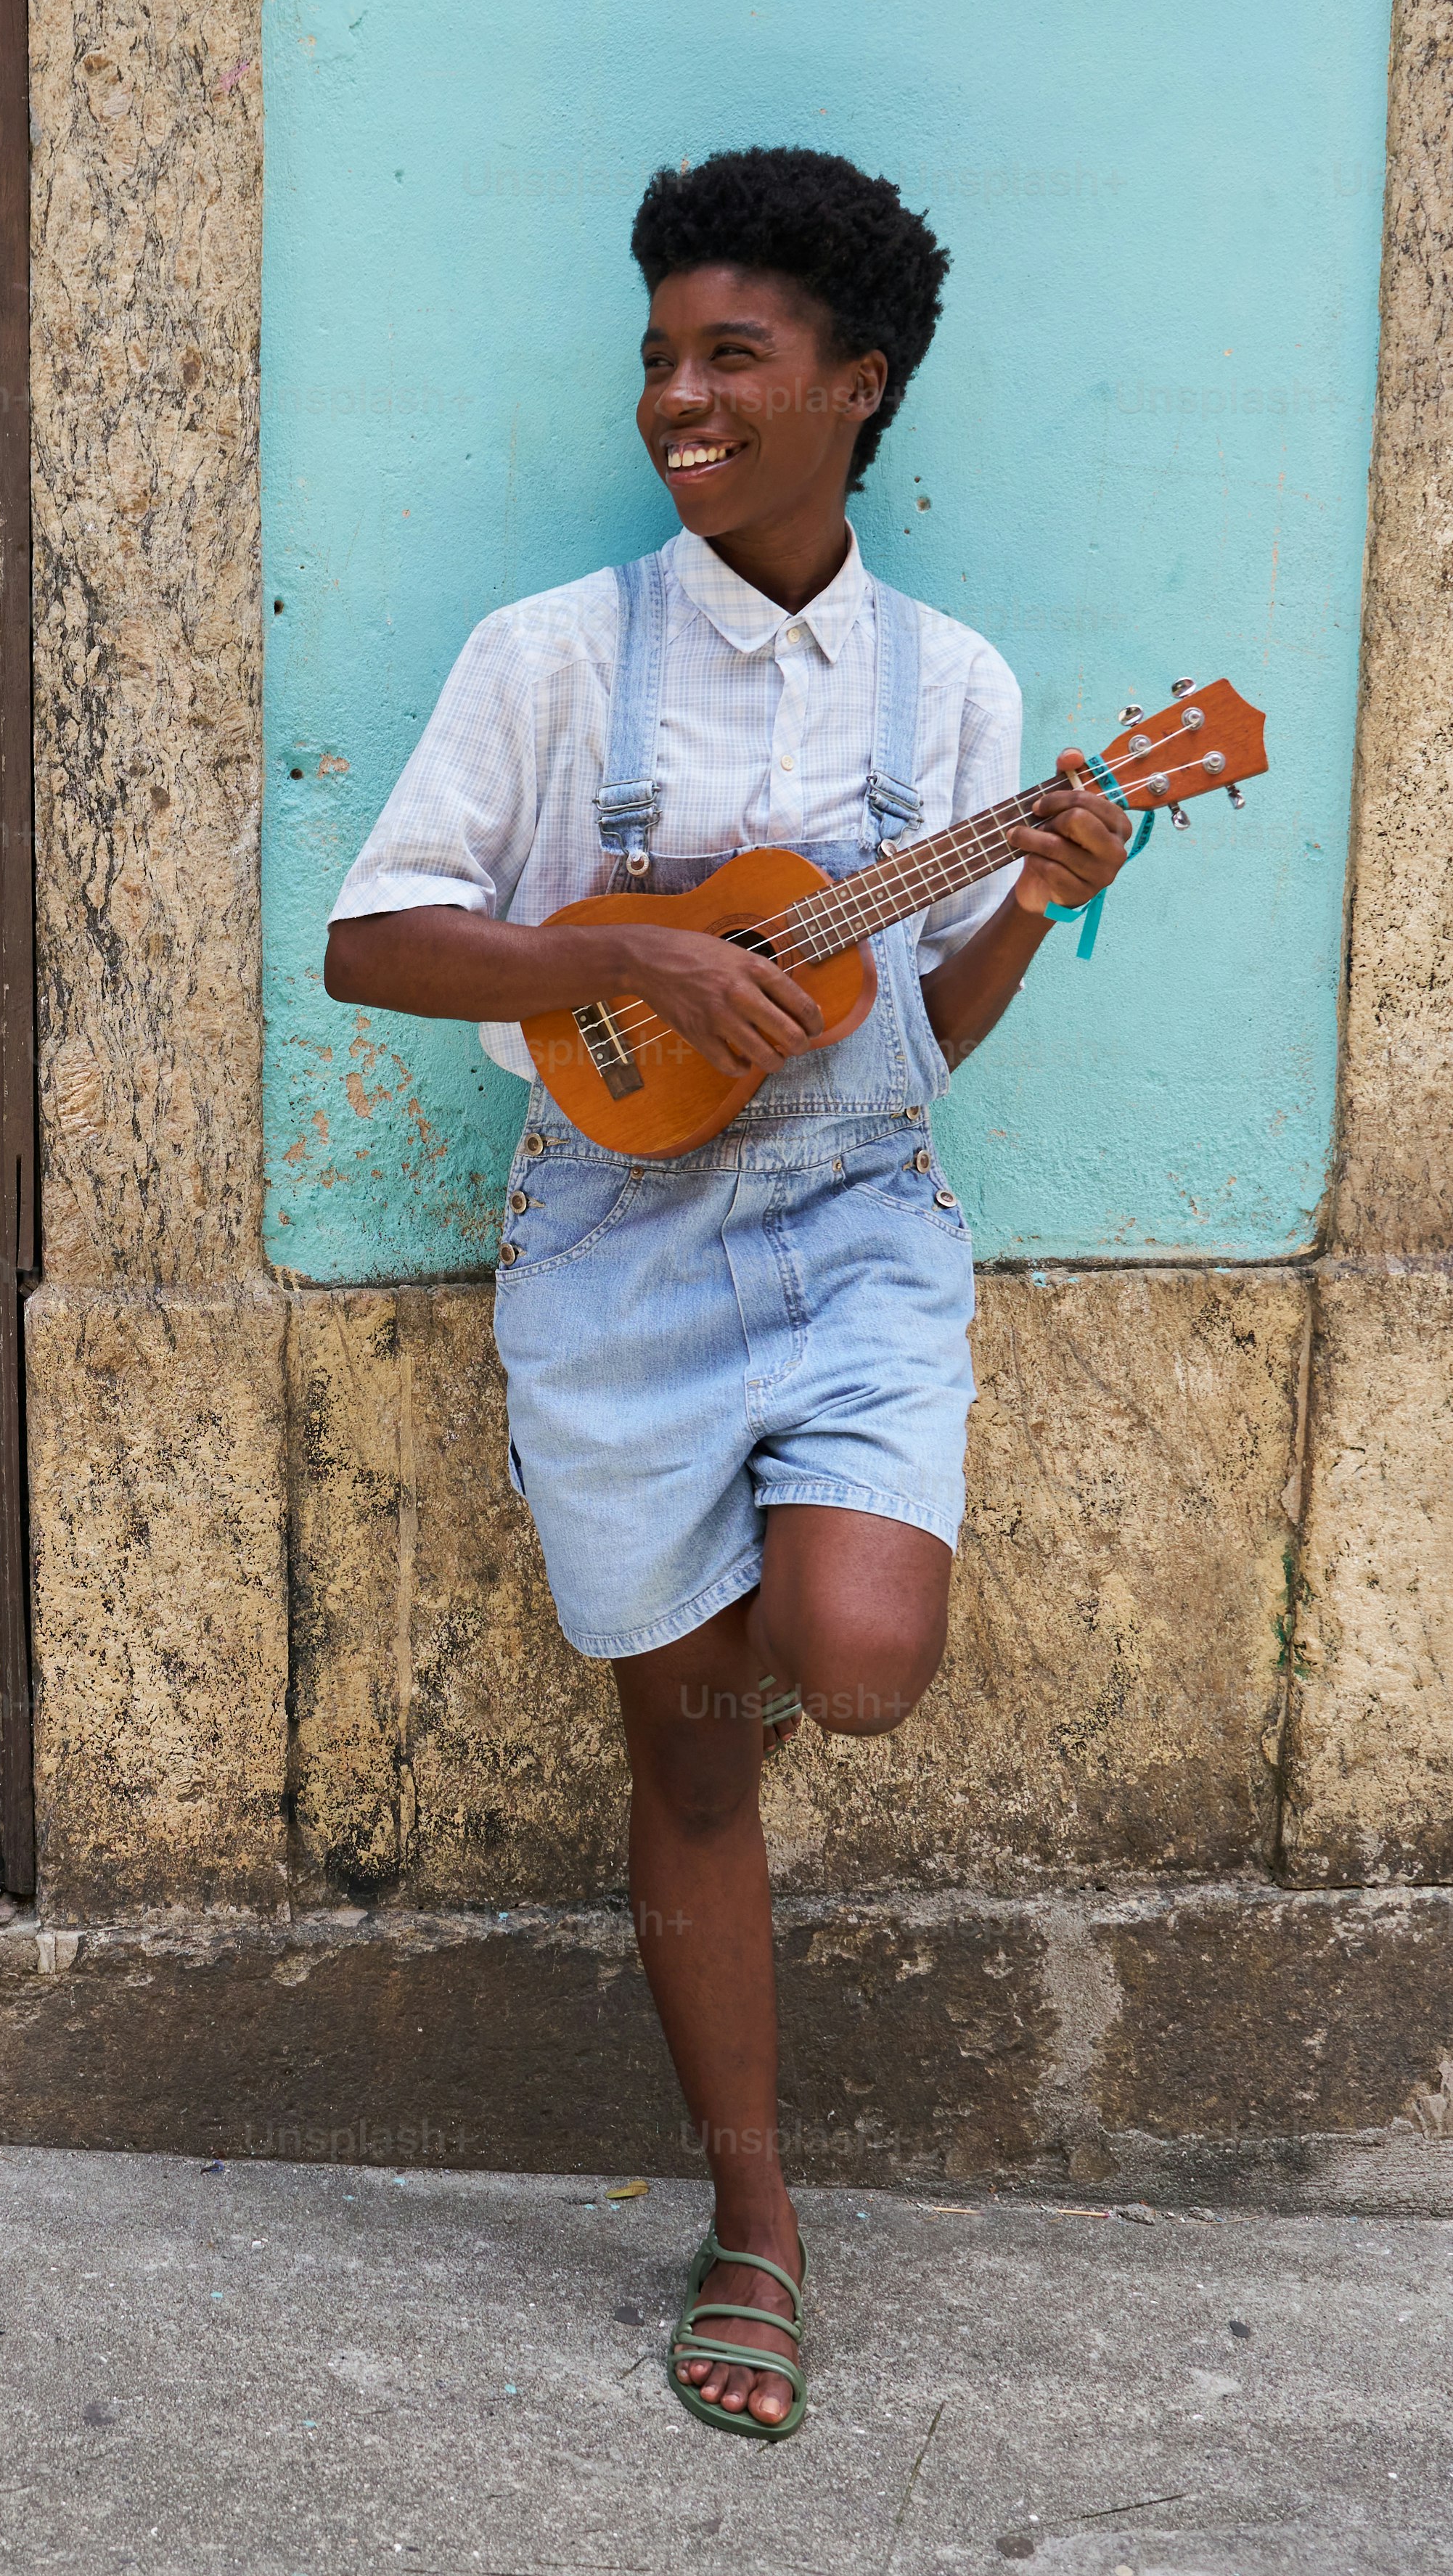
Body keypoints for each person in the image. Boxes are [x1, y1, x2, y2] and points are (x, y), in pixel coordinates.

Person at [323, 147, 1134, 2442]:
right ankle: (756, 2215)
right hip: (616, 1234)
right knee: (683, 1763)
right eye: (662, 355)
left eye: (733, 357)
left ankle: (739, 1677)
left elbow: (918, 1034)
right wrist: (626, 958)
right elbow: (371, 942)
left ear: (857, 386)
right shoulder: (553, 656)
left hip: (858, 1219)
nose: (679, 398)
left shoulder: (954, 688)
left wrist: (1036, 896)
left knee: (855, 1657)